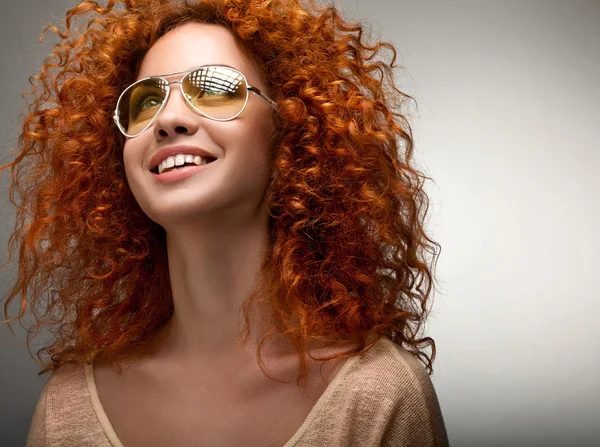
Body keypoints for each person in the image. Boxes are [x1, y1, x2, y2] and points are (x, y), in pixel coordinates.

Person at [1, 0, 449, 445]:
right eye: (145, 102)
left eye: (214, 89)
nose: (168, 119)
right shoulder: (68, 407)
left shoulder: (378, 395)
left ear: (290, 133)